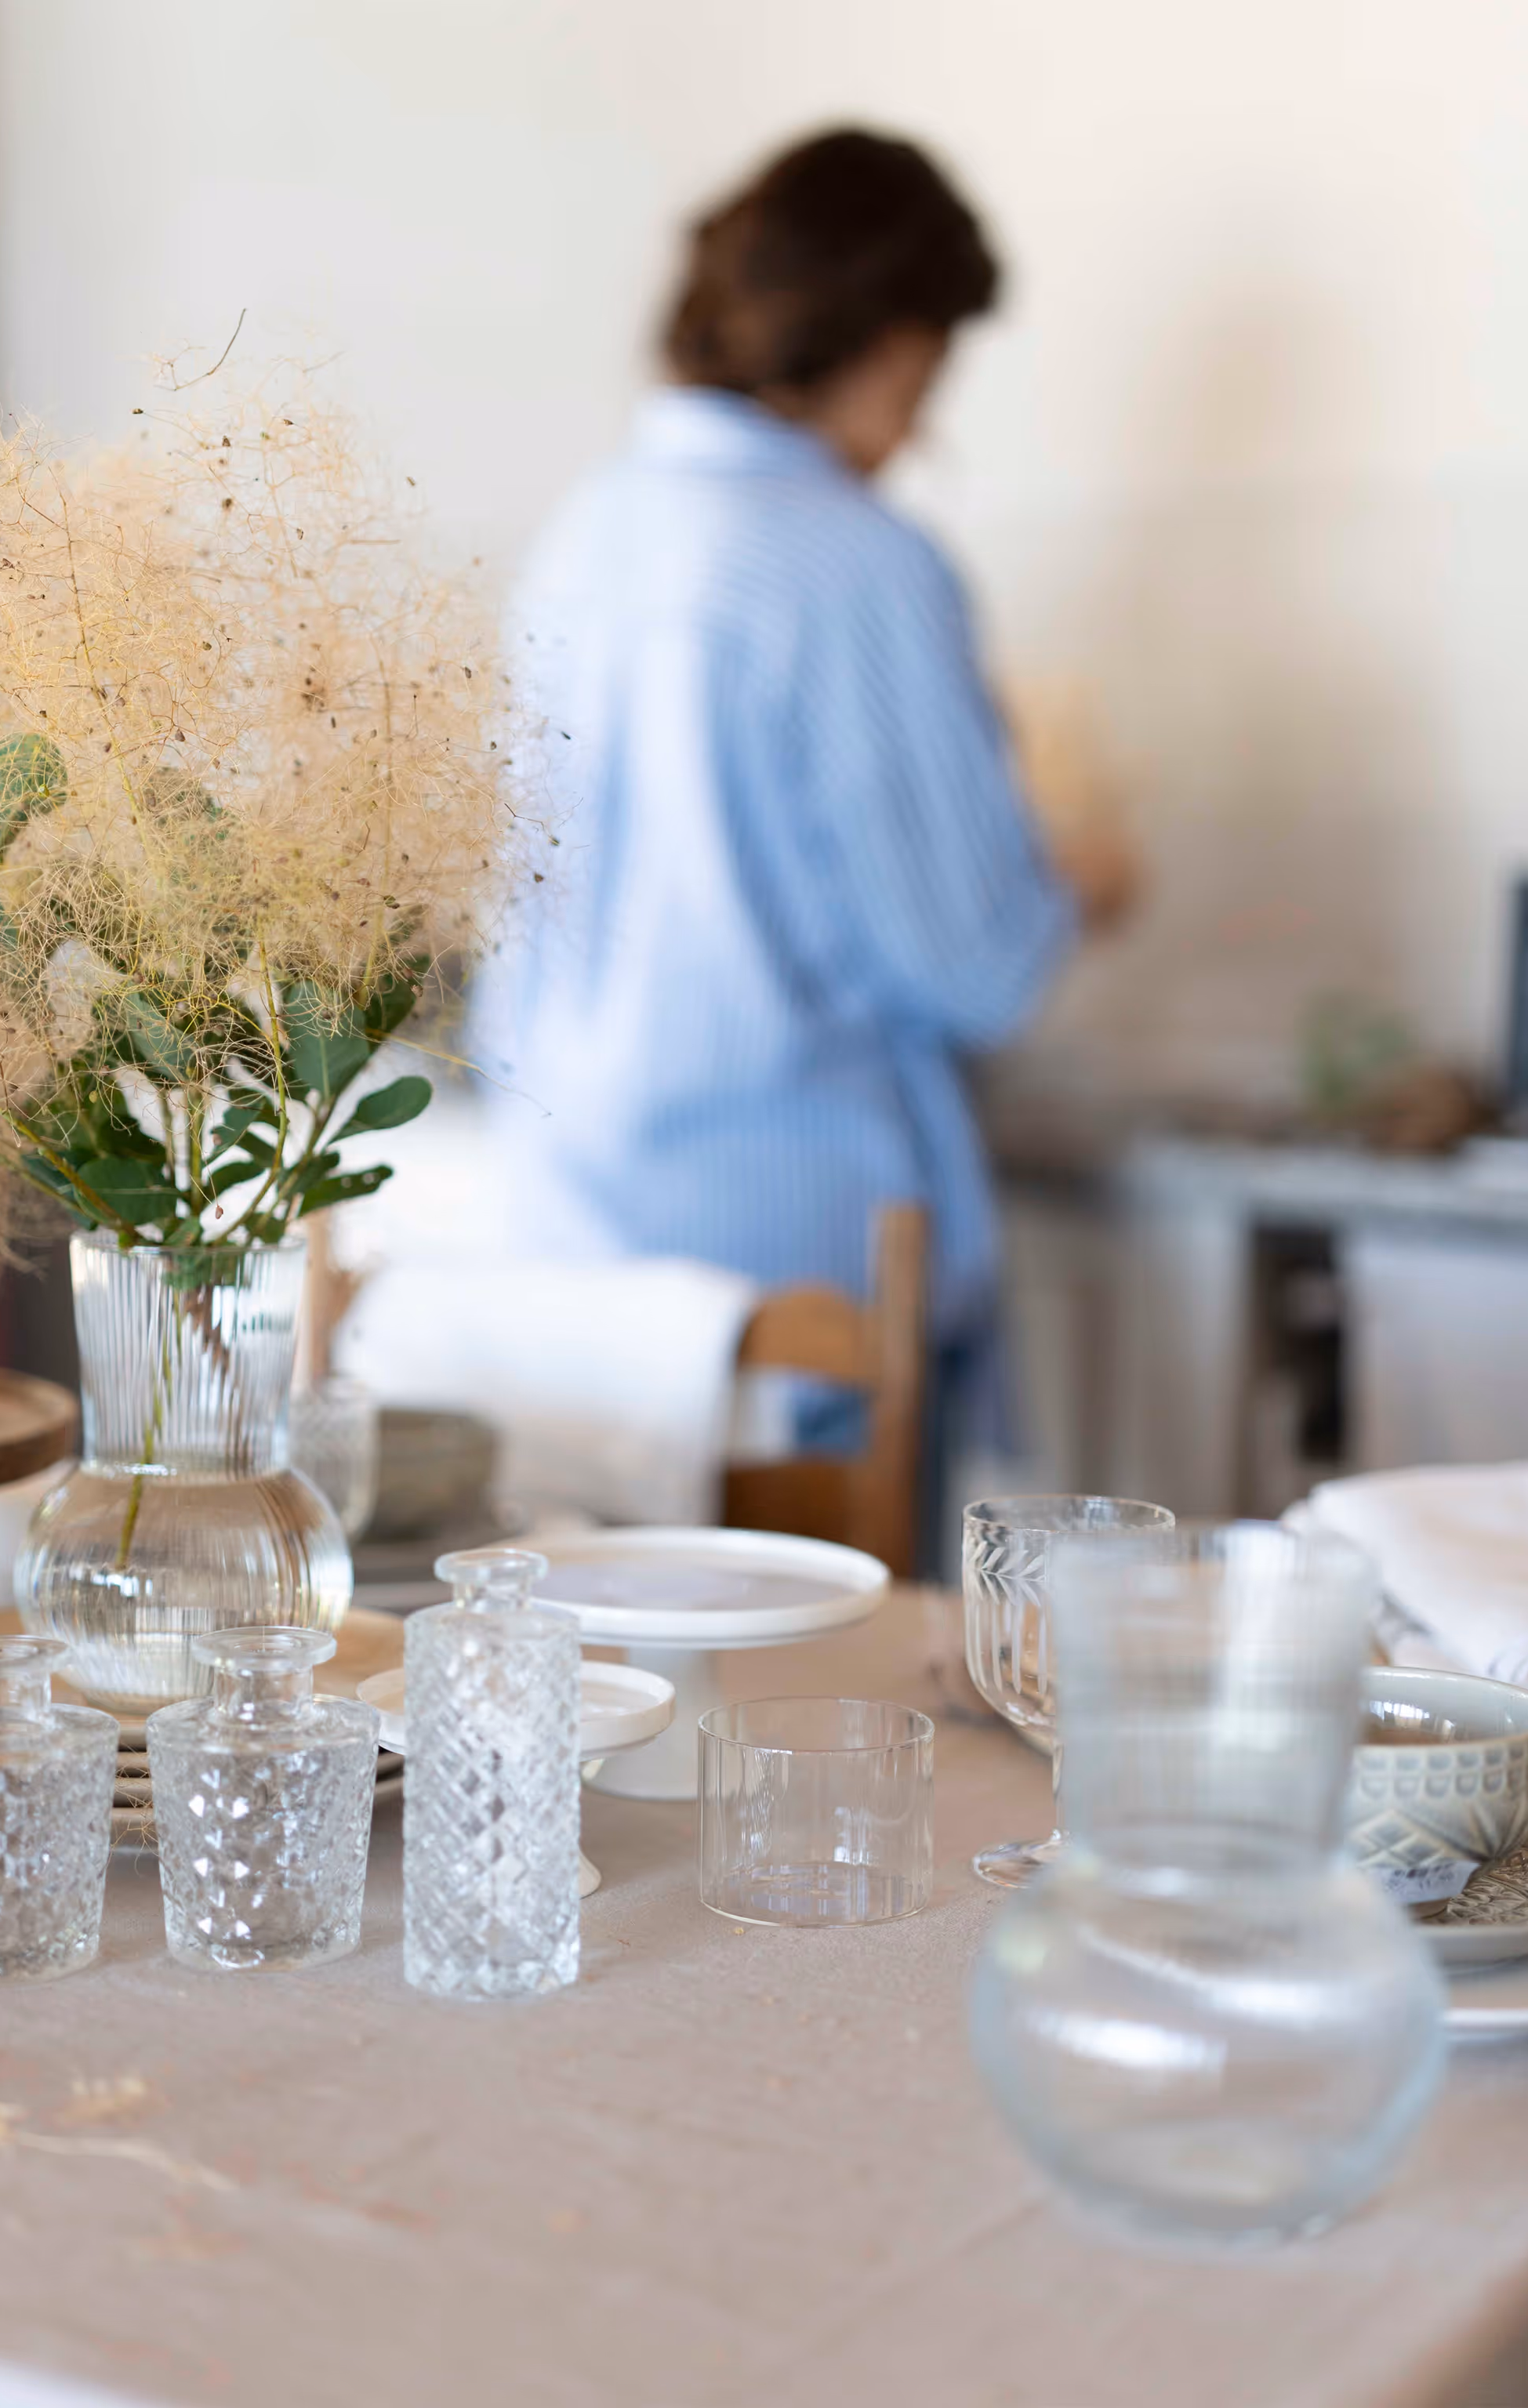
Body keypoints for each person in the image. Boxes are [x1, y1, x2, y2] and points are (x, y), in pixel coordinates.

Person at [477, 127, 1133, 1548]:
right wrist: (1074, 881)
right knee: (824, 1719)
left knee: (626, 1721)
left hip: (570, 1257)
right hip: (803, 1282)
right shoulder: (859, 565)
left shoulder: (582, 538)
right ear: (898, 344)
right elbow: (972, 965)